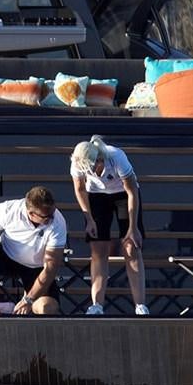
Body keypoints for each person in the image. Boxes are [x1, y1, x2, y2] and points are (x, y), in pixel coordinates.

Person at [70, 135, 148, 315]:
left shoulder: (116, 157)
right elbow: (80, 189)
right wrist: (89, 219)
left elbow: (132, 192)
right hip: (96, 196)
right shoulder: (77, 160)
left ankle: (140, 305)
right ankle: (97, 304)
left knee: (131, 247)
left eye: (92, 166)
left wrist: (133, 227)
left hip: (123, 194)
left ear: (100, 160)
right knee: (98, 248)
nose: (91, 170)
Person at [0, 186, 66, 315]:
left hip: (36, 268)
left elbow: (51, 267)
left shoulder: (58, 221)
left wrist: (29, 300)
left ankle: (26, 310)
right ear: (31, 213)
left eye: (52, 212)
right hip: (6, 256)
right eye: (46, 217)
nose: (51, 218)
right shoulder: (10, 209)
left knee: (47, 308)